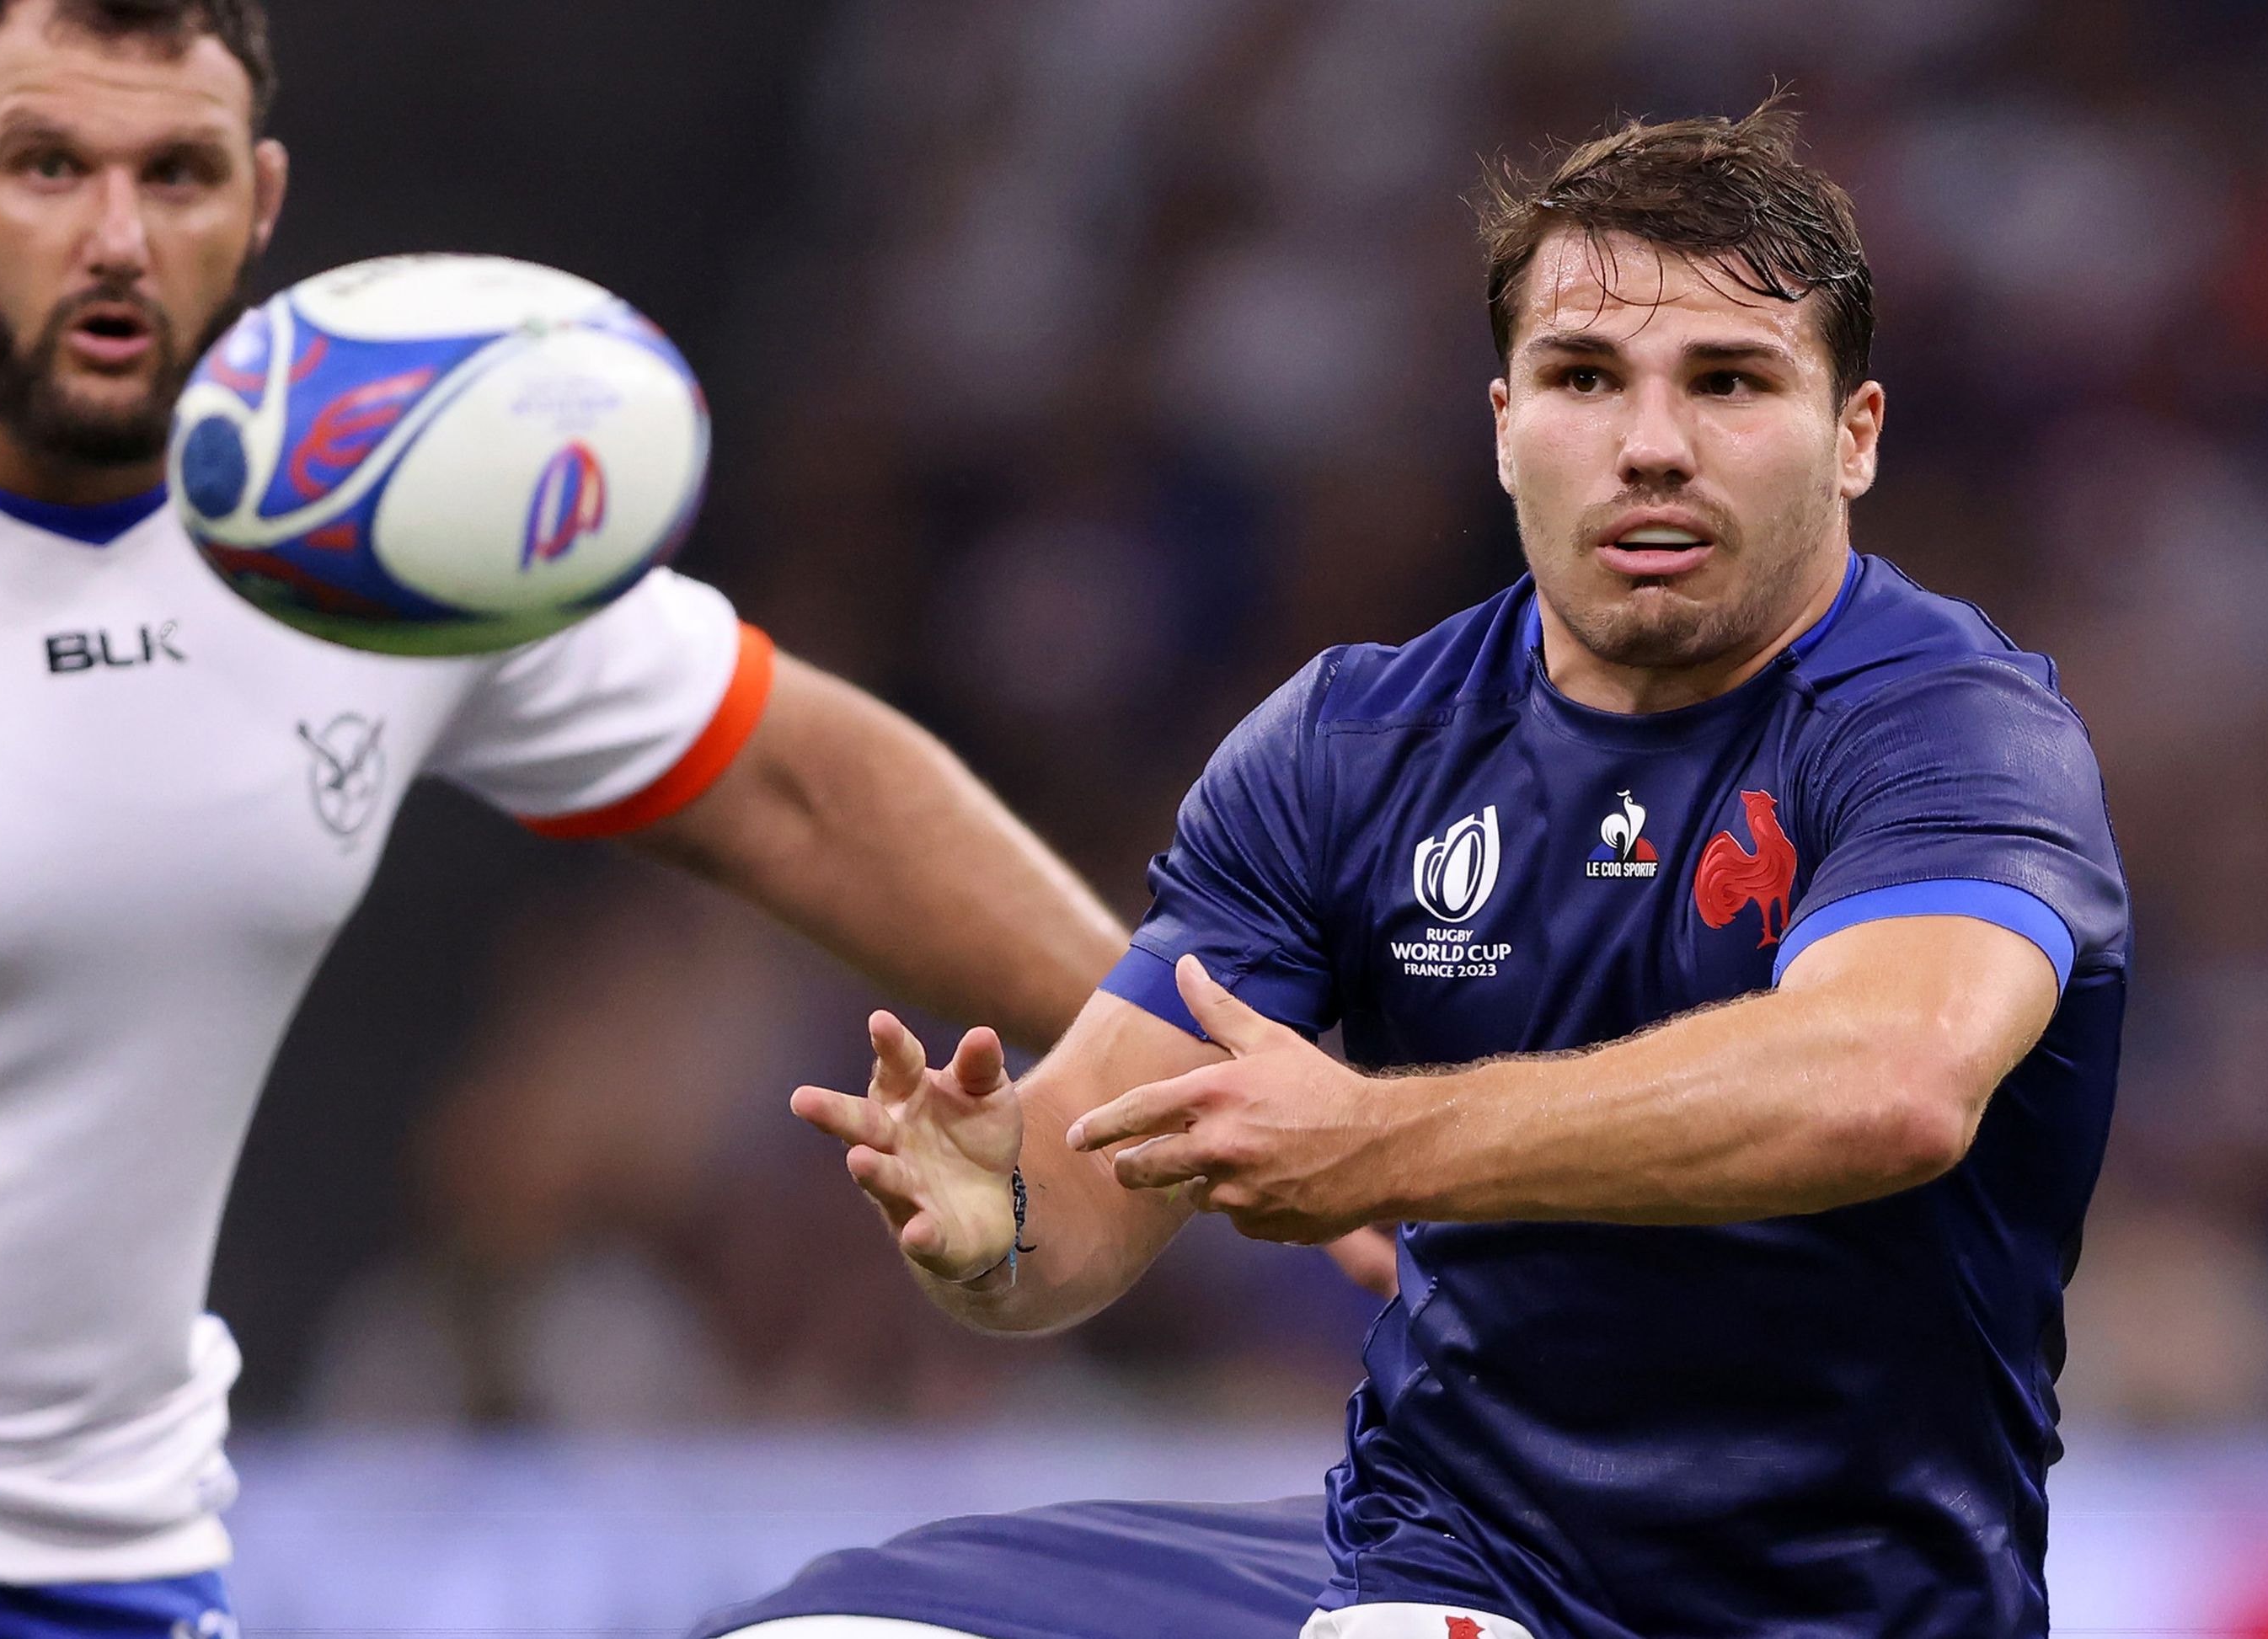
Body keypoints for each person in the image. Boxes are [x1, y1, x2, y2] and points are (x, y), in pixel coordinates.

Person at [0, 1, 1148, 1632]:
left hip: (104, 1525)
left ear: (261, 201)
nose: (115, 234)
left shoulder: (379, 510)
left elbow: (791, 785)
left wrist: (1191, 1053)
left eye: (175, 174)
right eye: (47, 165)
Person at [714, 103, 2127, 1639]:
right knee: (820, 1632)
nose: (1653, 444)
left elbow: (1891, 1083)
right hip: (1435, 1558)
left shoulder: (1954, 729)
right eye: (1587, 378)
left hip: (1819, 1613)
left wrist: (1377, 1139)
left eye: (1729, 381)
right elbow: (1090, 1187)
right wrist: (997, 1223)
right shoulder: (1349, 742)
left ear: (1853, 435)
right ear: (1507, 417)